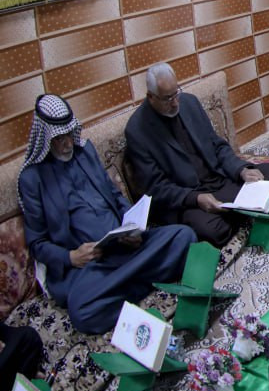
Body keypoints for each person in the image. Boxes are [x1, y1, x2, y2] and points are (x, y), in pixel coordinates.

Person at [19, 94, 195, 334]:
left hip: (123, 247)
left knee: (185, 237)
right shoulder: (32, 179)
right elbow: (37, 244)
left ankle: (125, 288)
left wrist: (131, 224)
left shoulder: (85, 152)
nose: (68, 144)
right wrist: (71, 257)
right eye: (59, 139)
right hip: (91, 267)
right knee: (82, 312)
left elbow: (114, 195)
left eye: (69, 134)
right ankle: (141, 279)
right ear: (46, 139)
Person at [126, 63, 269, 247]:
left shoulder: (189, 102)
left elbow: (217, 145)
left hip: (220, 179)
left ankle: (240, 212)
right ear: (151, 97)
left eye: (176, 93)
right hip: (189, 199)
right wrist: (195, 198)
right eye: (167, 98)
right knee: (214, 231)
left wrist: (241, 170)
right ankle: (248, 211)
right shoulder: (137, 130)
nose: (175, 103)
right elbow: (156, 188)